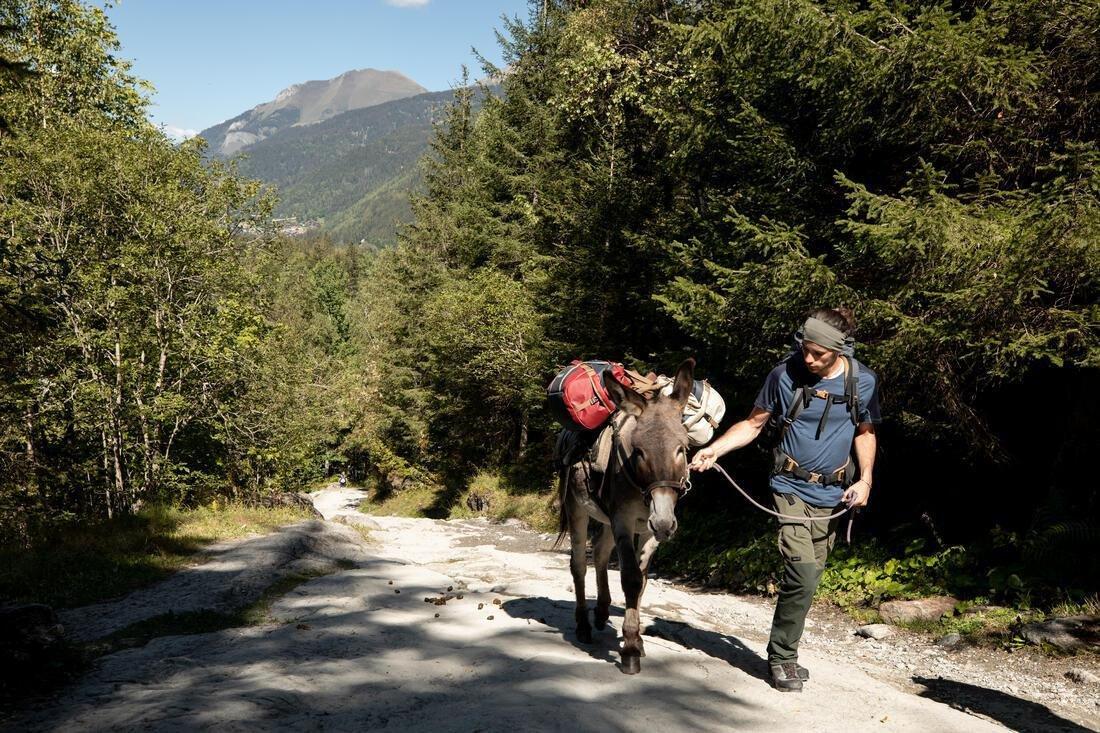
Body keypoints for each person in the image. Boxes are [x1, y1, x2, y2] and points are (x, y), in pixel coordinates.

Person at [691, 307, 881, 692]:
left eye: (818, 355)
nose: (808, 359)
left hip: (834, 495)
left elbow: (865, 432)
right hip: (788, 487)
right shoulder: (784, 375)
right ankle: (782, 658)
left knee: (809, 578)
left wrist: (866, 480)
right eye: (805, 351)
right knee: (803, 571)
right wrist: (716, 449)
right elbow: (753, 423)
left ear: (839, 350)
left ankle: (785, 650)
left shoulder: (863, 382)